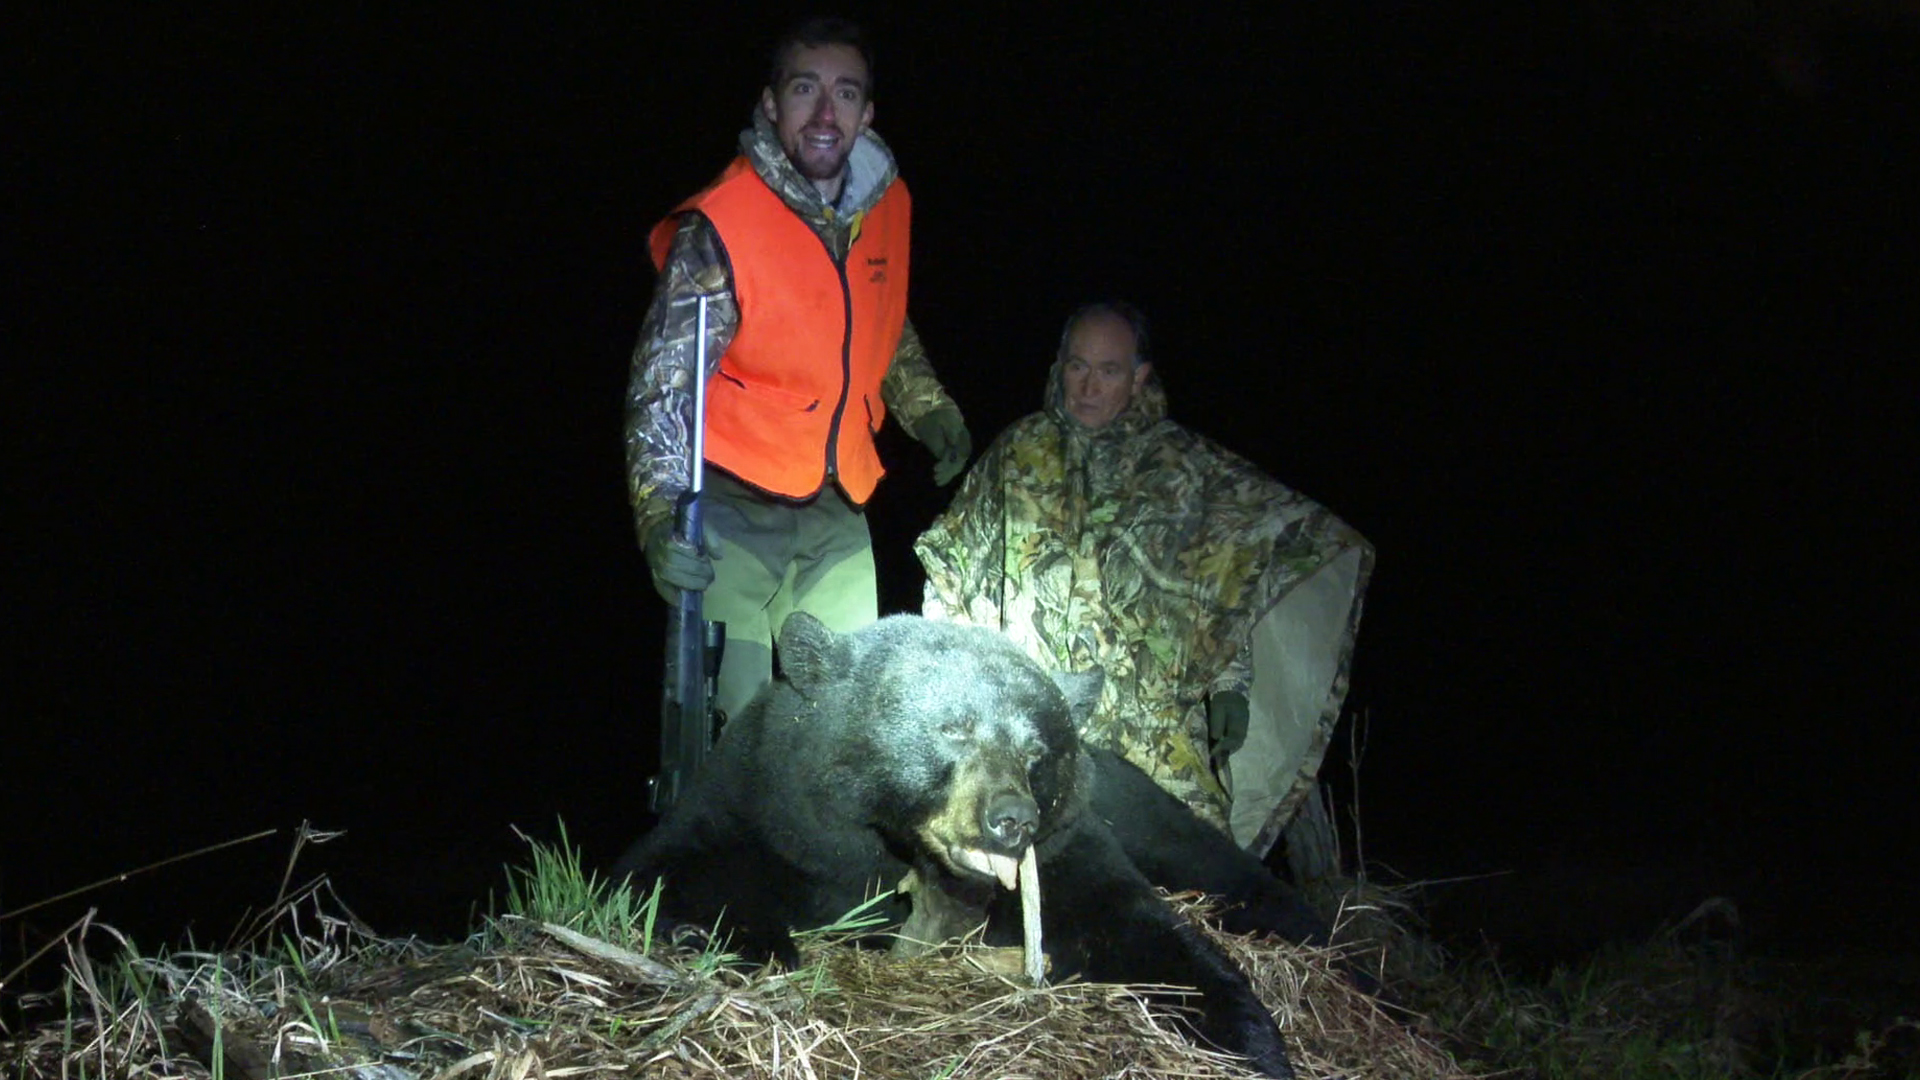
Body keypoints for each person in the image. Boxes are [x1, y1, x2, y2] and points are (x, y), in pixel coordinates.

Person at [915, 302, 1373, 869]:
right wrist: (950, 690)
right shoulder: (1017, 454)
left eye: (1108, 371)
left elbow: (1228, 577)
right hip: (1038, 726)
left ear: (1139, 377)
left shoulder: (1180, 469)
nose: (1086, 387)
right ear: (1059, 366)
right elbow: (953, 569)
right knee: (1028, 872)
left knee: (1207, 878)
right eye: (1076, 366)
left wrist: (1230, 681)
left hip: (1153, 723)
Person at [626, 16, 971, 724]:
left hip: (837, 504)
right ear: (771, 103)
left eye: (845, 94)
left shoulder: (885, 205)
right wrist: (659, 518)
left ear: (866, 112)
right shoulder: (722, 224)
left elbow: (877, 318)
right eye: (805, 88)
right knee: (735, 734)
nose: (825, 112)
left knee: (849, 727)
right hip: (731, 508)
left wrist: (926, 404)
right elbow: (664, 385)